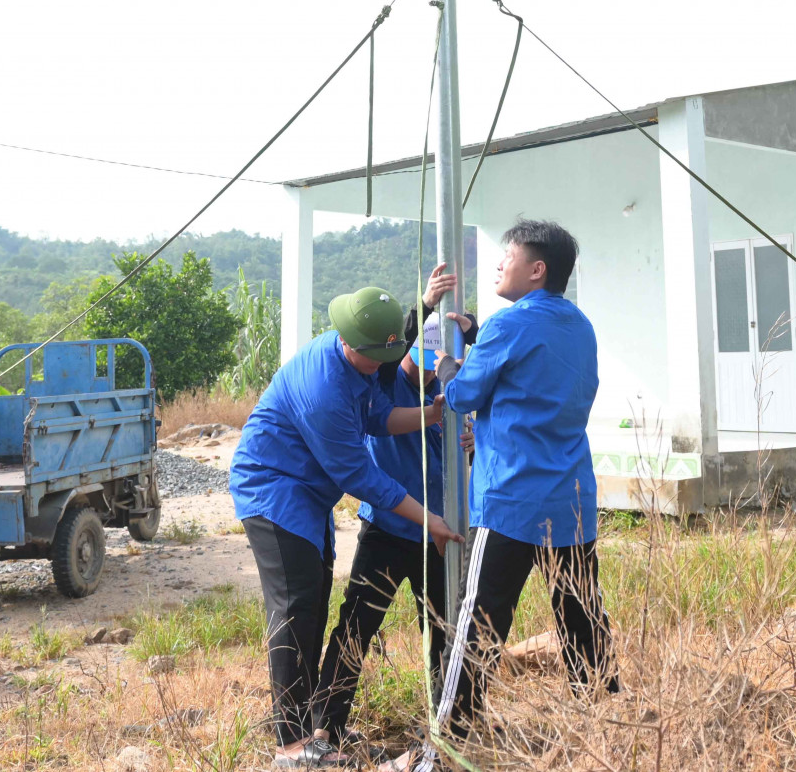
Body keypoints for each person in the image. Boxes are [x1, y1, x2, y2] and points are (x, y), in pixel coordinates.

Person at [230, 286, 463, 770]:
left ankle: (315, 729)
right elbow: (361, 477)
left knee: (312, 607)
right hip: (274, 491)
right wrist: (431, 520)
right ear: (355, 347)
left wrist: (431, 414)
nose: (390, 365)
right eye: (383, 356)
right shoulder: (325, 390)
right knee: (295, 609)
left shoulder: (360, 362)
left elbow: (378, 416)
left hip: (308, 498)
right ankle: (292, 745)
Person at [430, 220, 615, 747]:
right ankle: (603, 726)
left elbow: (464, 395)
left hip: (511, 497)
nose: (498, 263)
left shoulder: (507, 325)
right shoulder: (580, 325)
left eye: (507, 256)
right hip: (570, 497)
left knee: (478, 625)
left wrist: (449, 367)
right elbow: (539, 379)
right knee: (581, 616)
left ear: (537, 270)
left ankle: (449, 740)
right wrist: (479, 338)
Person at [315, 265, 478, 752]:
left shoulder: (450, 387)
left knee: (448, 633)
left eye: (442, 364)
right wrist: (424, 304)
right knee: (356, 628)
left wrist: (466, 443)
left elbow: (459, 450)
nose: (434, 371)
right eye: (428, 361)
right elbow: (393, 342)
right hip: (388, 529)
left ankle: (452, 729)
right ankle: (326, 726)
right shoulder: (383, 383)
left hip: (439, 532)